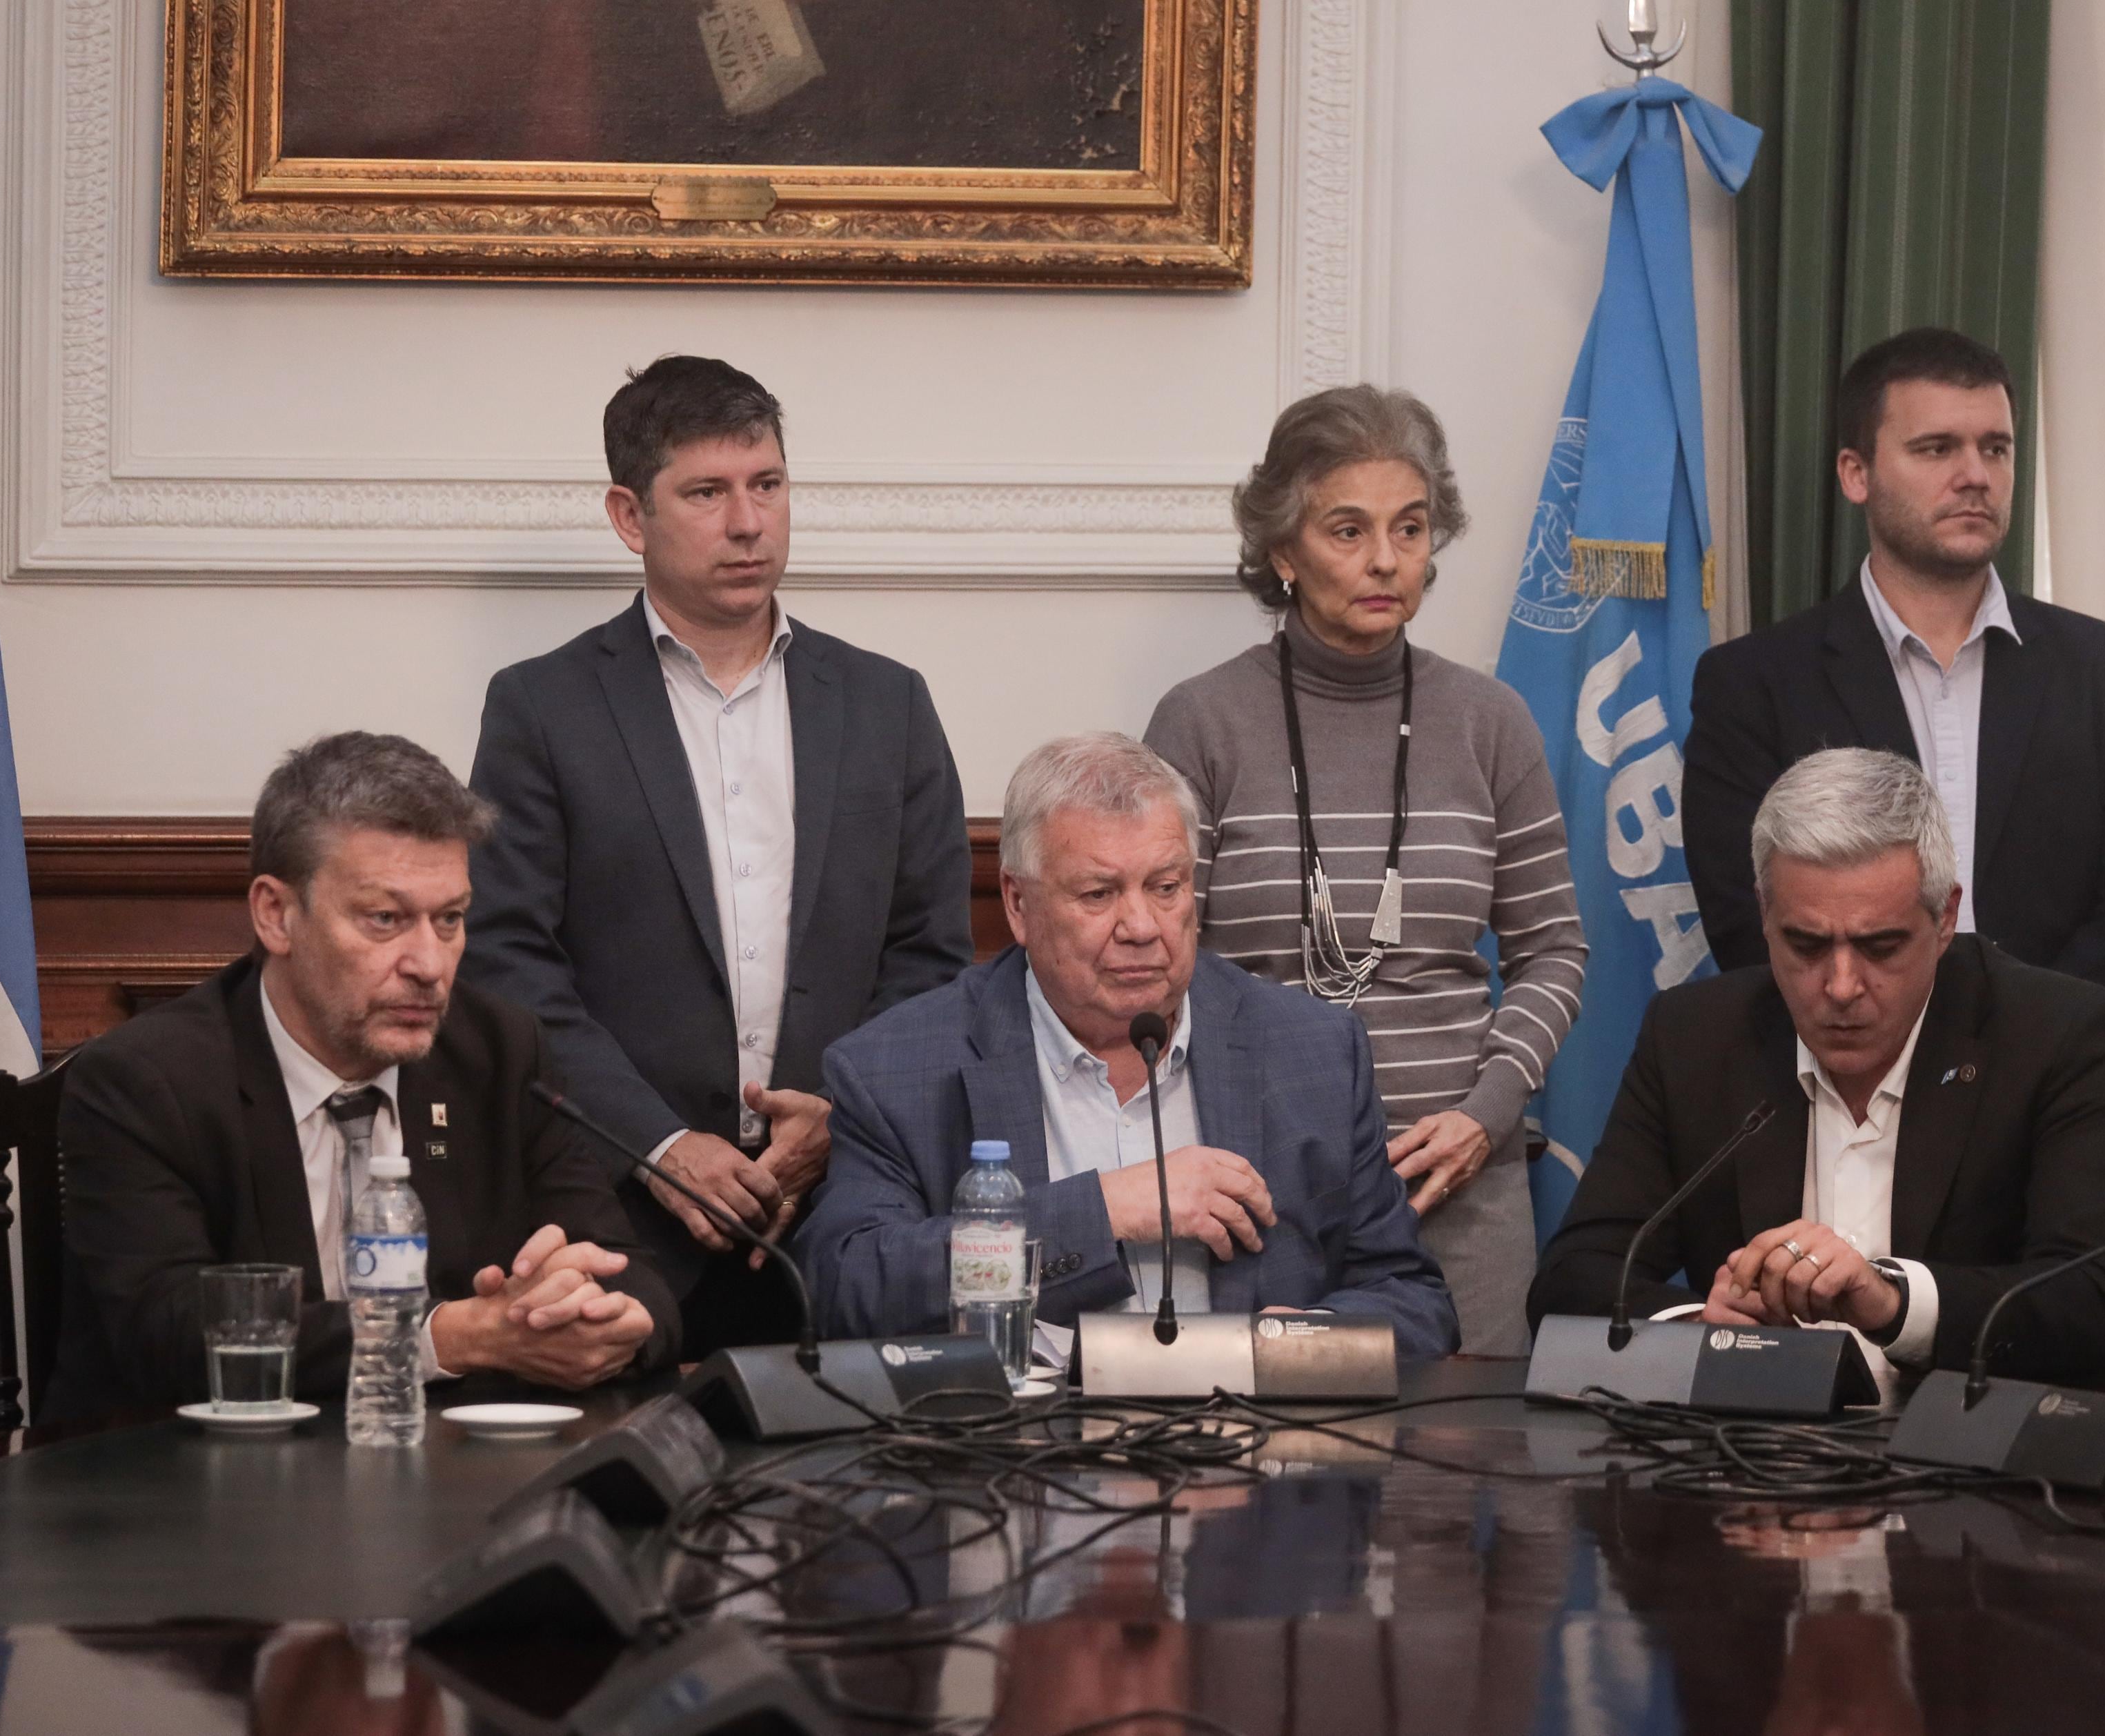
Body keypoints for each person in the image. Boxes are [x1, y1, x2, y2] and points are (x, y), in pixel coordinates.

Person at [465, 355, 973, 1355]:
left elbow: (930, 956)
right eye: (707, 492)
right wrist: (659, 1144)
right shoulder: (542, 707)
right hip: (614, 1213)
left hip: (844, 1205)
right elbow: (508, 962)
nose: (749, 523)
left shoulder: (887, 705)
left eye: (768, 485)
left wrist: (836, 1117)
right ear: (628, 514)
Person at [49, 733, 673, 1423]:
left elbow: (631, 1271)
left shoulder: (499, 1051)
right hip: (189, 1493)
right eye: (385, 919)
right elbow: (165, 1333)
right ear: (276, 914)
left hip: (440, 1488)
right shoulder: (146, 1080)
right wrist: (449, 1337)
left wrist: (603, 1318)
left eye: (450, 919)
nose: (429, 964)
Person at [1143, 386, 1583, 1356]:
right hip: (1261, 1181)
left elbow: (1553, 950)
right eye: (1349, 529)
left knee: (1463, 1470)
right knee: (1267, 1476)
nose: (1387, 560)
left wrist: (1485, 1114)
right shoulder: (1200, 722)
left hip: (1459, 1178)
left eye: (1411, 528)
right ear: (1284, 552)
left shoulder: (1490, 720)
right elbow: (1167, 962)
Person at [800, 733, 1459, 1357]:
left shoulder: (1313, 1049)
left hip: (1252, 1452)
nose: (1142, 926)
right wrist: (1106, 1209)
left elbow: (1414, 1300)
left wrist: (1307, 1346)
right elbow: (850, 1291)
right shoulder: (896, 1067)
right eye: (1099, 893)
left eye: (1166, 887)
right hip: (1015, 1456)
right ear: (1018, 904)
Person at [1528, 749, 2105, 1385]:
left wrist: (1892, 1301)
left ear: (1944, 918)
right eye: (1805, 944)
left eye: (1880, 946)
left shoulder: (2058, 1035)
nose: (1840, 985)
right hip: (1749, 1465)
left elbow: (2099, 1305)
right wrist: (1703, 1329)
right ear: (1764, 914)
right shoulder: (1695, 1037)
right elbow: (1572, 1277)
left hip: (1972, 1463)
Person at [1680, 327, 2105, 1018]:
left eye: (1994, 448)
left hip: (2058, 1079)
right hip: (1838, 1078)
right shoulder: (1751, 684)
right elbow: (1749, 918)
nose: (1974, 474)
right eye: (1935, 448)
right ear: (1854, 474)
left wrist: (2014, 1052)